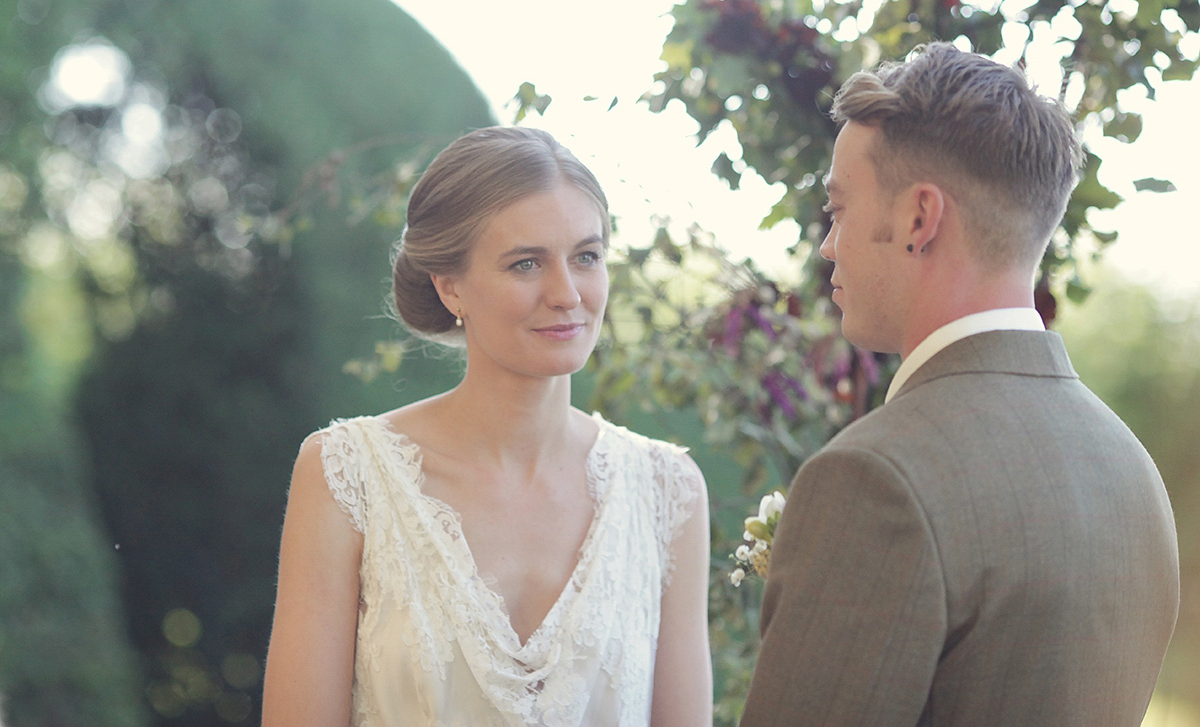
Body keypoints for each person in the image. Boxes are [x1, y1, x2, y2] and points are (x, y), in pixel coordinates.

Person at [740, 43, 1179, 726]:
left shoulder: (876, 479)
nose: (829, 244)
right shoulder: (1130, 468)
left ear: (919, 218)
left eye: (839, 209)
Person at [262, 126, 712, 727]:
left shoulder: (667, 491)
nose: (567, 293)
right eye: (526, 263)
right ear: (450, 287)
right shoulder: (348, 475)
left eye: (587, 256)